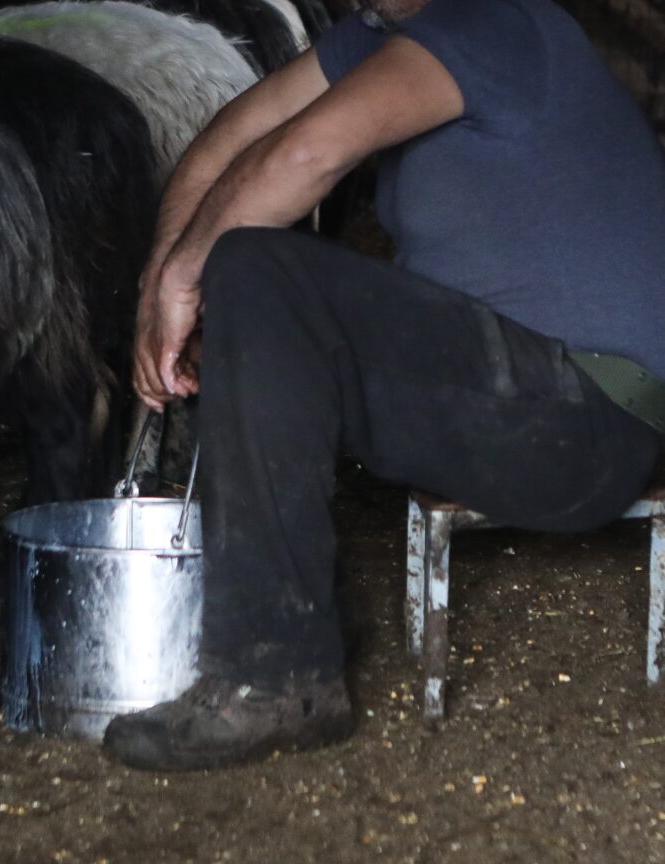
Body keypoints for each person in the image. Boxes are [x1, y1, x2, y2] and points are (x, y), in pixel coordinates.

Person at [105, 0, 665, 772]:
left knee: (258, 269)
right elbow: (231, 137)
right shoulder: (377, 36)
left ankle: (277, 678)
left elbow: (301, 158)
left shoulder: (500, 23)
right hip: (499, 395)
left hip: (587, 420)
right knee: (249, 292)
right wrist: (161, 277)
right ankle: (300, 618)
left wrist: (186, 276)